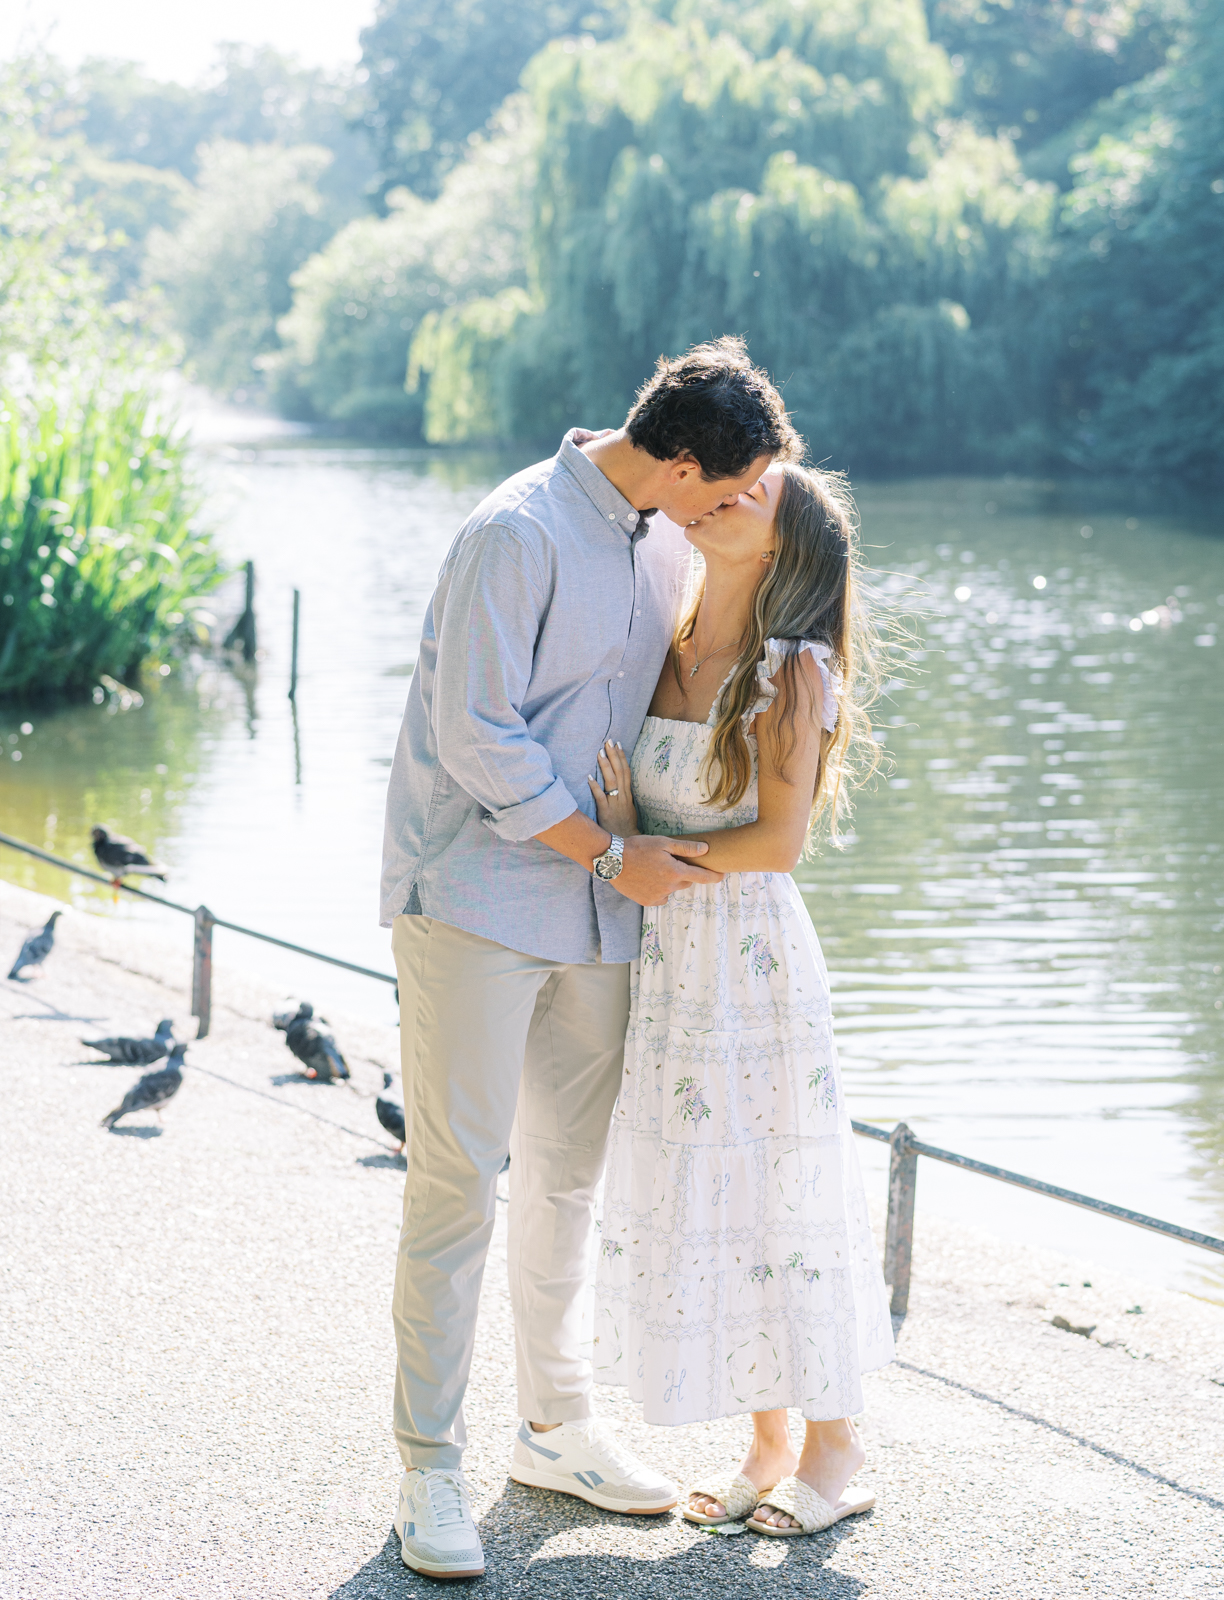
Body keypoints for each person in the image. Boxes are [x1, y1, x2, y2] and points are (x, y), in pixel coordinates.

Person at [380, 336, 801, 1580]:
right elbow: (477, 734)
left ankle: (554, 1425)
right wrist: (609, 854)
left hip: (600, 911)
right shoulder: (513, 532)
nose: (730, 513)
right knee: (456, 1186)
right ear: (675, 463)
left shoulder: (666, 536)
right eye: (724, 492)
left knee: (566, 1182)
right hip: (476, 893)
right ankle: (428, 1464)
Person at [589, 460, 895, 1539]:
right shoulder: (665, 642)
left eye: (748, 495)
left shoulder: (790, 668)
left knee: (783, 1190)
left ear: (780, 545)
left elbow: (780, 841)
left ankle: (835, 1443)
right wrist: (619, 830)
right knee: (711, 1197)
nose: (720, 494)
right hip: (670, 958)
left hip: (748, 962)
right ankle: (765, 1438)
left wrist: (643, 854)